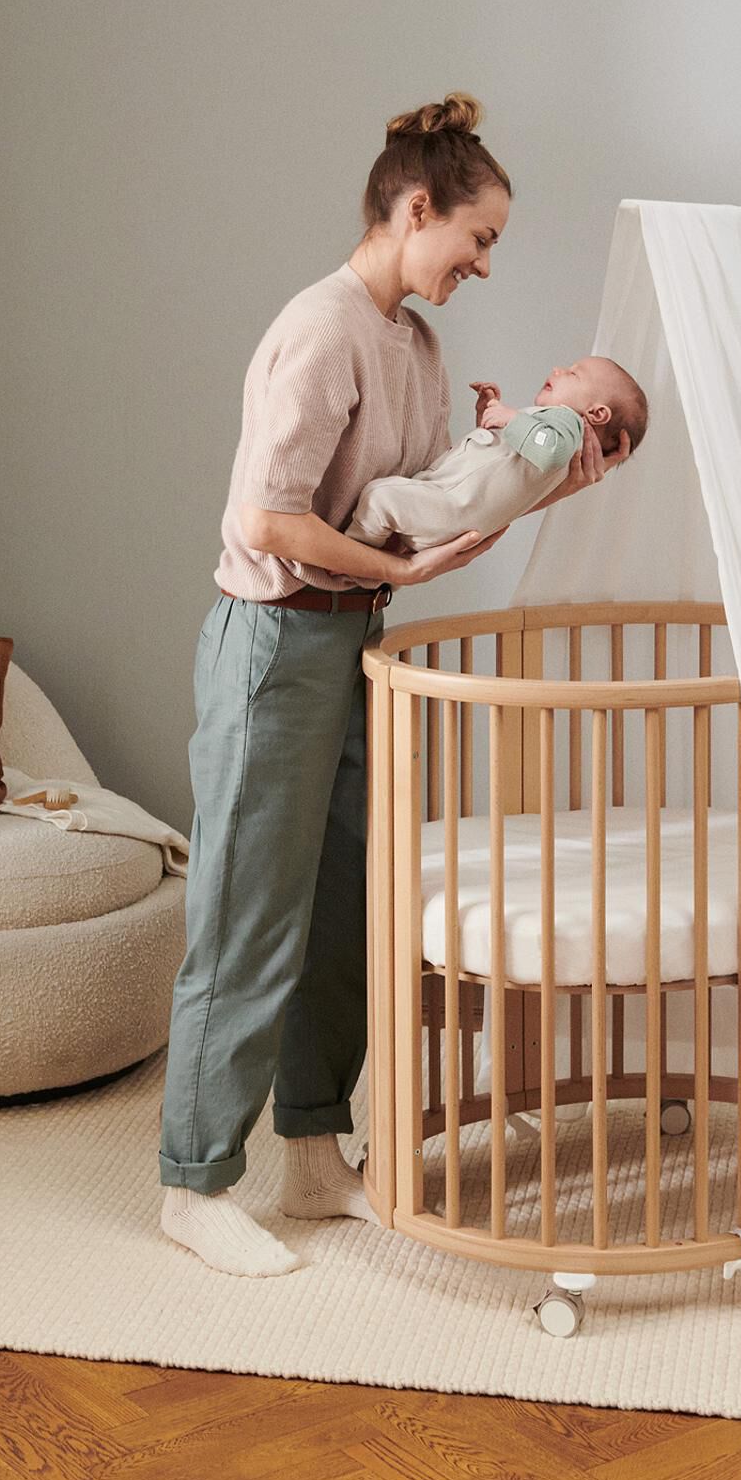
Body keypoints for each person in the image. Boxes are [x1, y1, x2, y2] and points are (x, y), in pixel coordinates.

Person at [158, 93, 631, 1277]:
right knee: (246, 911)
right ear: (414, 208)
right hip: (275, 639)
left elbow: (434, 495)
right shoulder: (321, 329)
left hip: (353, 638)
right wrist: (393, 568)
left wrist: (525, 458)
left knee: (342, 915)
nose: (480, 265)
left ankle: (314, 1152)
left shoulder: (414, 347)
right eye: (475, 239)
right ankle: (197, 1178)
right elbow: (266, 518)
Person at [345, 357, 648, 553]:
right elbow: (499, 465)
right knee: (389, 498)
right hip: (449, 507)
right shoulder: (550, 434)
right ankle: (369, 559)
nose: (558, 368)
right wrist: (488, 418)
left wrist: (510, 418)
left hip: (450, 505)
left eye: (573, 373)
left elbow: (549, 451)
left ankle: (354, 557)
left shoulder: (568, 424)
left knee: (378, 496)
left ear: (596, 413)